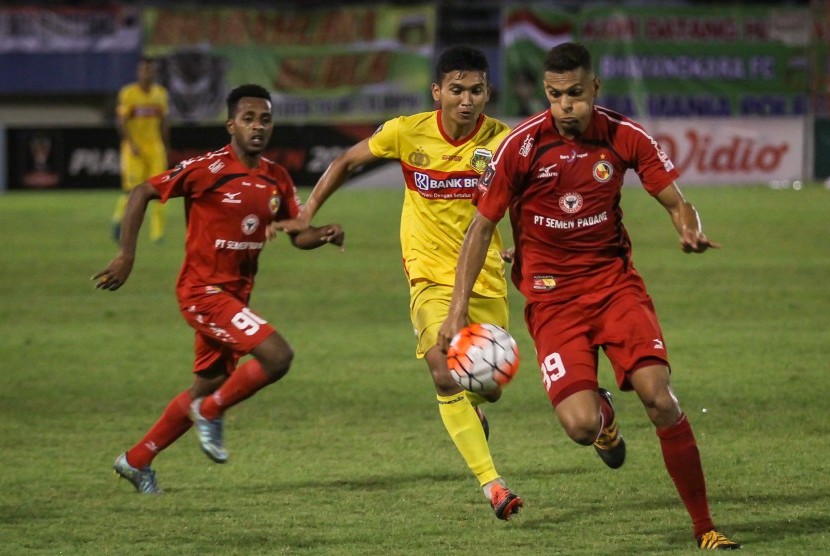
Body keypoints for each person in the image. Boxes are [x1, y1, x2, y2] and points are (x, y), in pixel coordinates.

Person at [436, 43, 742, 550]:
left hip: (615, 288)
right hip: (553, 302)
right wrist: (457, 310)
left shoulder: (624, 135)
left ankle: (704, 526)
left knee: (658, 396)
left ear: (594, 88)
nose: (566, 106)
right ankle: (604, 419)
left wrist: (688, 228)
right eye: (556, 96)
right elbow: (481, 228)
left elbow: (676, 200)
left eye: (576, 94)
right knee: (579, 427)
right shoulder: (522, 145)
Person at [273, 46, 523, 520]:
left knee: (490, 385)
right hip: (427, 272)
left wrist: (524, 248)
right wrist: (306, 212)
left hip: (485, 274)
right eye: (456, 90)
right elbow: (346, 161)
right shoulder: (407, 131)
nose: (466, 100)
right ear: (437, 92)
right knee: (443, 371)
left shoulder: (504, 142)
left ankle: (476, 407)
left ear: (488, 92)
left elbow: (527, 201)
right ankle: (493, 485)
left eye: (475, 90)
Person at [93, 84, 345, 494]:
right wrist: (127, 255)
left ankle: (137, 460)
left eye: (265, 119)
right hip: (202, 292)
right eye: (248, 119)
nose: (257, 127)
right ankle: (210, 413)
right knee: (278, 356)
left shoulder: (276, 177)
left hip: (235, 297)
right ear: (231, 124)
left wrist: (324, 233)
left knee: (208, 382)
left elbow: (298, 235)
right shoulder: (207, 169)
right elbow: (142, 192)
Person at [112, 56, 170, 243]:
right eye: (144, 69)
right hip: (134, 149)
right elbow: (121, 122)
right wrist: (130, 143)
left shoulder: (160, 94)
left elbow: (164, 122)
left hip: (154, 148)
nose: (147, 73)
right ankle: (118, 222)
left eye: (150, 70)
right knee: (132, 190)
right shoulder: (128, 94)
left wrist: (165, 145)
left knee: (160, 190)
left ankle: (157, 233)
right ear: (139, 72)